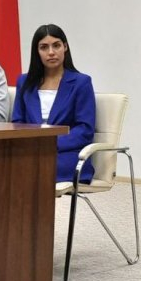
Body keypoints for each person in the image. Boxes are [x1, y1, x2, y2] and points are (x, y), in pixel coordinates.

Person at [11, 24, 96, 184]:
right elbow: (17, 123)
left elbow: (85, 129)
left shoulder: (81, 82)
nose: (51, 52)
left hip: (66, 153)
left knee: (30, 169)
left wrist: (49, 144)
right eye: (44, 47)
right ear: (37, 52)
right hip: (30, 151)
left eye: (56, 45)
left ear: (65, 47)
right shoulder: (25, 82)